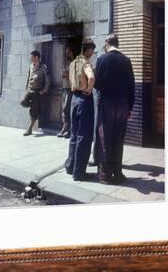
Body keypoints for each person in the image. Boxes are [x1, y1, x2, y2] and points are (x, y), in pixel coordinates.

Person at [94, 33, 135, 184]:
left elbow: (97, 84)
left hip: (106, 104)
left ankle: (105, 175)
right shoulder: (126, 60)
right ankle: (117, 174)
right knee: (118, 140)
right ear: (118, 44)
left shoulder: (101, 59)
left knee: (105, 139)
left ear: (107, 44)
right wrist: (129, 108)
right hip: (123, 105)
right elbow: (132, 86)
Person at [64, 39, 96, 181]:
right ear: (88, 50)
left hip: (74, 99)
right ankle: (79, 172)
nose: (92, 53)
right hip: (84, 99)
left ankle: (70, 166)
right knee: (84, 136)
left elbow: (70, 81)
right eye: (92, 51)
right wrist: (89, 90)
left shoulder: (72, 64)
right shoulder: (85, 63)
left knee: (74, 135)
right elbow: (92, 77)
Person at [20, 50, 50, 136]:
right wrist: (26, 87)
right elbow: (28, 77)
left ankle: (29, 129)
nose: (30, 58)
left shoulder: (43, 67)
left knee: (33, 112)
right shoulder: (31, 66)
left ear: (36, 57)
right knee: (22, 102)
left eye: (31, 57)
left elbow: (48, 80)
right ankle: (34, 106)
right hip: (30, 91)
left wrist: (44, 90)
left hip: (37, 92)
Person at [57, 42, 75, 138]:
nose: (65, 51)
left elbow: (75, 76)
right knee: (65, 109)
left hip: (70, 89)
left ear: (71, 51)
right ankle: (67, 129)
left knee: (67, 109)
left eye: (67, 50)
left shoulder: (74, 62)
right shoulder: (68, 62)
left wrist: (66, 74)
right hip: (65, 88)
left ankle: (67, 129)